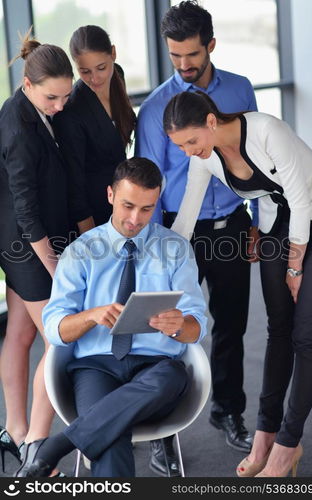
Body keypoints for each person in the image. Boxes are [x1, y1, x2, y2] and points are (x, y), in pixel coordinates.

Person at [15, 157, 207, 478]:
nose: (135, 219)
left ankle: (58, 446)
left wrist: (180, 325)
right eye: (128, 205)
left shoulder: (175, 248)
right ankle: (86, 434)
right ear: (110, 196)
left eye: (147, 209)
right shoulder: (81, 252)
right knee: (110, 435)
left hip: (156, 368)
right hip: (96, 367)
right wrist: (91, 316)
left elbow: (196, 328)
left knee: (171, 377)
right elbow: (54, 328)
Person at [163, 90, 312, 477]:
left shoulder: (266, 130)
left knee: (307, 337)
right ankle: (266, 433)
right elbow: (187, 216)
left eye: (190, 141)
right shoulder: (207, 159)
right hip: (275, 226)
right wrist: (162, 263)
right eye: (180, 146)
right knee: (278, 329)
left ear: (211, 122)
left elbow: (299, 199)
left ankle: (287, 446)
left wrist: (294, 268)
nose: (187, 152)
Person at [135, 0, 257, 474]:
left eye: (192, 55)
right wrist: (153, 246)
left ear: (210, 45)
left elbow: (255, 162)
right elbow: (149, 180)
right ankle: (164, 428)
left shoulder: (242, 90)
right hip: (175, 233)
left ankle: (229, 411)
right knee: (170, 333)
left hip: (232, 224)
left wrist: (255, 222)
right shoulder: (154, 109)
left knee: (231, 326)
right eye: (175, 57)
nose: (184, 66)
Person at [0, 31, 73, 475]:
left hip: (21, 241)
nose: (60, 107)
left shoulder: (28, 107)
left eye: (65, 97)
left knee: (20, 336)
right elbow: (26, 210)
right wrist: (55, 266)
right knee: (59, 339)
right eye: (52, 98)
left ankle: (13, 428)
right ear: (28, 85)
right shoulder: (19, 128)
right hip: (27, 247)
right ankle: (36, 447)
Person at [53, 25, 136, 234]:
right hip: (95, 214)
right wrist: (91, 238)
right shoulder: (71, 111)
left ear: (113, 54)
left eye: (101, 67)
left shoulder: (118, 75)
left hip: (124, 203)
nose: (95, 78)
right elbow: (75, 185)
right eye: (84, 71)